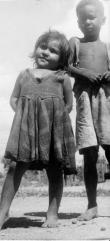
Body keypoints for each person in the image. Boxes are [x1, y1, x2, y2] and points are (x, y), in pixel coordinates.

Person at [0, 30, 76, 232]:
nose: (45, 52)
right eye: (43, 47)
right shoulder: (24, 75)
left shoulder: (62, 78)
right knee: (15, 167)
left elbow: (69, 105)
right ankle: (2, 212)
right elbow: (14, 99)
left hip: (52, 130)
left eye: (53, 51)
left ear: (61, 59)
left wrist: (55, 122)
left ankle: (52, 212)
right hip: (25, 128)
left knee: (55, 169)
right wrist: (23, 116)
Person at [68, 0, 110, 221]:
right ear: (78, 21)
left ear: (103, 20)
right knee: (90, 152)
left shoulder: (107, 46)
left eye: (92, 17)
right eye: (84, 17)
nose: (88, 21)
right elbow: (67, 66)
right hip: (84, 97)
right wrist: (84, 74)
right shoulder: (76, 43)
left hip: (106, 98)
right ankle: (92, 205)